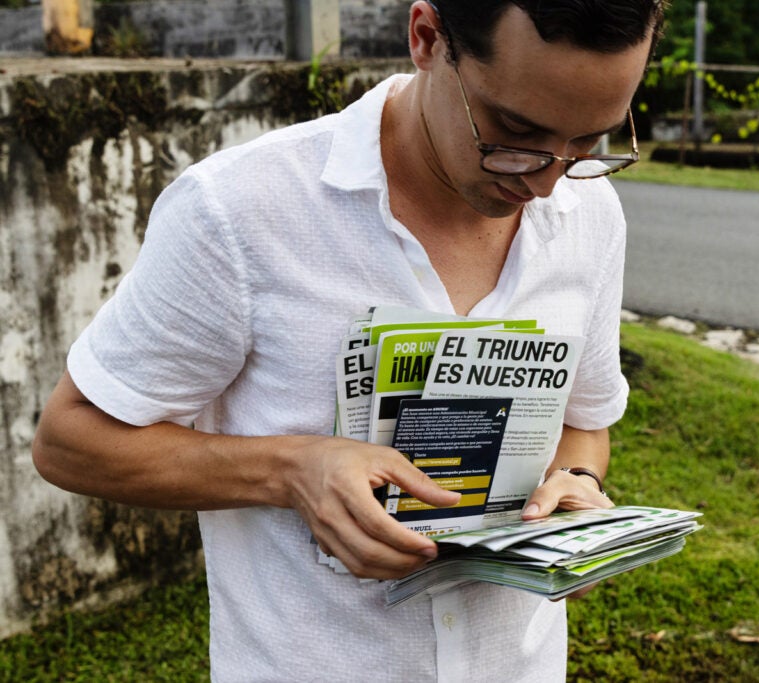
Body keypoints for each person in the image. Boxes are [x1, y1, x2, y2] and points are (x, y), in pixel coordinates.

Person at [32, 0, 663, 680]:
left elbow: (586, 419)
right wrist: (292, 469)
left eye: (590, 141)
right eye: (515, 130)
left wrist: (577, 485)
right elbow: (72, 440)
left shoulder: (589, 213)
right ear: (426, 38)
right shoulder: (241, 209)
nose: (546, 181)